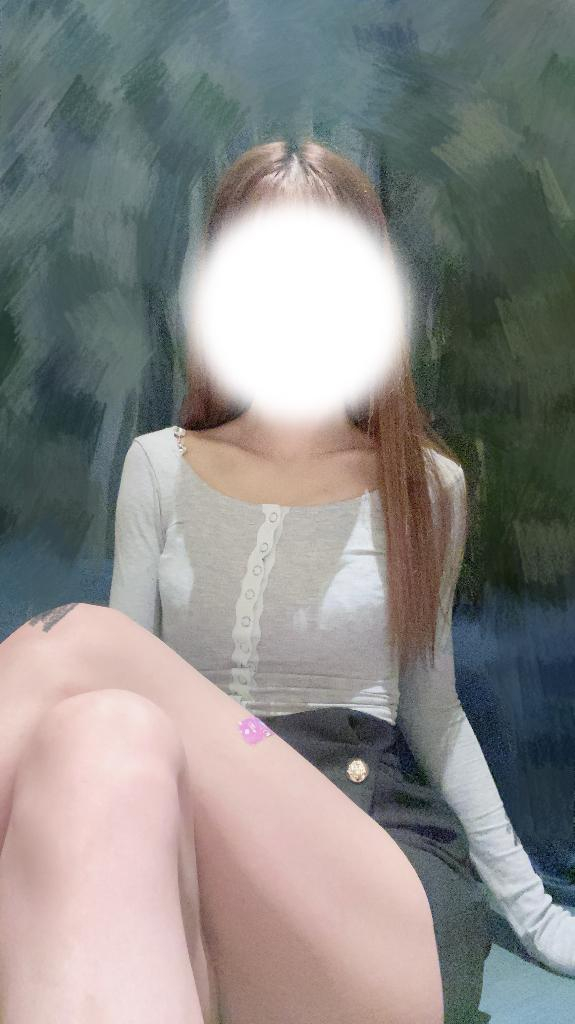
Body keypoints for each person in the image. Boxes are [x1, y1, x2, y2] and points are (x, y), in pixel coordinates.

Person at [0, 139, 573, 1024]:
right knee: (102, 729)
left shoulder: (424, 487)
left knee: (82, 644)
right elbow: (129, 700)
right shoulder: (158, 467)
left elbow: (434, 710)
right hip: (198, 869)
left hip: (367, 871)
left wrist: (533, 916)